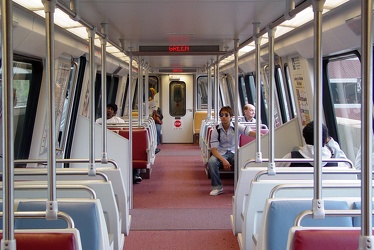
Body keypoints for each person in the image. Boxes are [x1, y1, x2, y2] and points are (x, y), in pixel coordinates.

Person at [208, 106, 258, 196]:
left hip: (234, 152)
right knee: (212, 161)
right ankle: (217, 187)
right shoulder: (216, 130)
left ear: (231, 117)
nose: (223, 117)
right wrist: (224, 160)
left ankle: (242, 186)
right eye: (221, 115)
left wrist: (261, 135)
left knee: (242, 162)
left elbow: (249, 132)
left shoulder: (236, 126)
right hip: (221, 153)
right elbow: (214, 150)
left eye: (226, 115)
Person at [277, 121, 350, 168]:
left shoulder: (290, 158)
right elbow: (350, 169)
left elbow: (276, 173)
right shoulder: (336, 164)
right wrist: (332, 144)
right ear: (326, 139)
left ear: (305, 138)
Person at [149, 88, 162, 154]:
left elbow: (161, 117)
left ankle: (156, 144)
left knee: (157, 129)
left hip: (155, 122)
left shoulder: (158, 106)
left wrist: (156, 113)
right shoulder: (146, 106)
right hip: (148, 121)